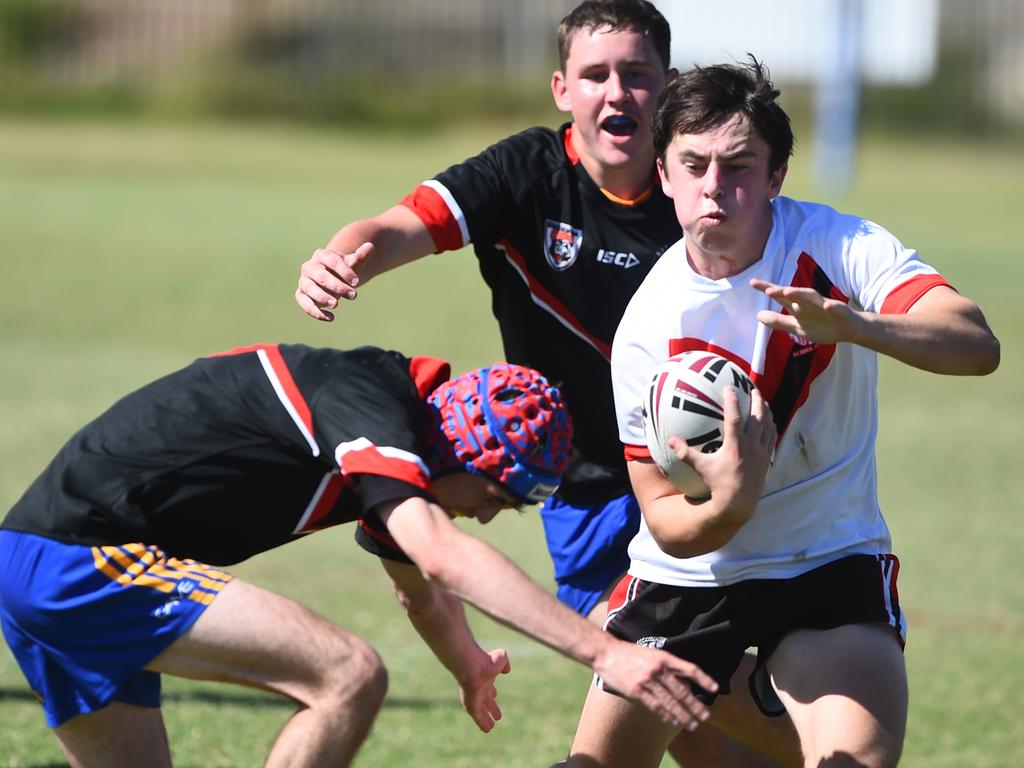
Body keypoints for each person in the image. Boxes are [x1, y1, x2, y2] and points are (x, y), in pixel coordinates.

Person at [295, 3, 799, 764]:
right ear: (562, 87)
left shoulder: (701, 184)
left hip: (706, 465)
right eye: (596, 74)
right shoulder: (525, 174)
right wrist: (342, 255)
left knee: (681, 689)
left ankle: (837, 740)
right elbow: (400, 224)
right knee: (667, 684)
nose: (616, 93)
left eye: (637, 74)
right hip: (589, 484)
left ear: (667, 87)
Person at [564, 58, 1001, 768]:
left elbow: (976, 345)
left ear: (776, 175)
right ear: (664, 173)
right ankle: (735, 697)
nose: (715, 189)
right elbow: (667, 522)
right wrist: (733, 503)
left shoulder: (838, 247)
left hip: (826, 558)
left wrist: (858, 326)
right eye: (694, 164)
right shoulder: (648, 323)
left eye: (739, 165)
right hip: (691, 581)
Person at [0, 343, 721, 768]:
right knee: (348, 675)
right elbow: (438, 556)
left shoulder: (397, 450)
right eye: (496, 497)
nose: (486, 515)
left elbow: (418, 589)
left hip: (41, 562)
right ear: (468, 450)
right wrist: (606, 653)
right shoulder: (365, 401)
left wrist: (466, 663)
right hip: (80, 562)